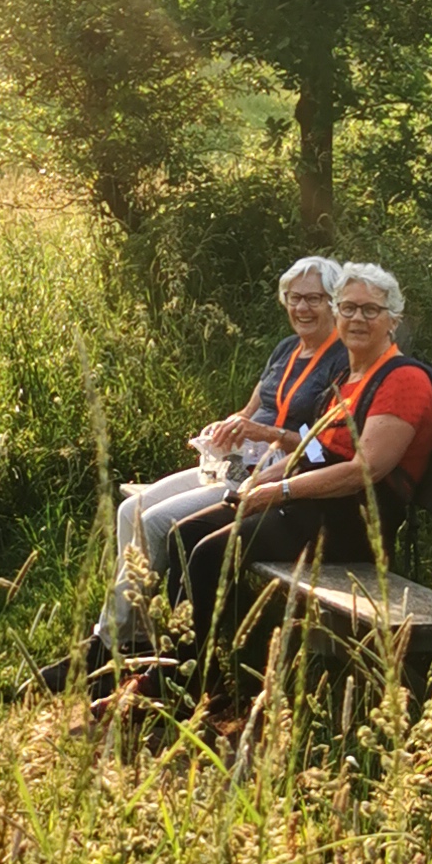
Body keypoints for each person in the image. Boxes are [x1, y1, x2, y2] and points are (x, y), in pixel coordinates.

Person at [169, 263, 432, 691]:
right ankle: (218, 667)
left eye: (370, 310)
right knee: (184, 536)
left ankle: (190, 685)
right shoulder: (346, 377)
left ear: (393, 320)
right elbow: (313, 450)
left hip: (351, 524)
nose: (357, 319)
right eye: (348, 308)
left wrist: (281, 490)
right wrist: (260, 480)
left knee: (207, 555)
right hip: (310, 506)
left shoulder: (403, 380)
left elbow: (365, 469)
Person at [88, 256, 348, 669]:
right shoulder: (287, 349)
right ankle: (135, 634)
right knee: (129, 510)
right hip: (236, 462)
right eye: (294, 298)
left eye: (314, 299)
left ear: (334, 303)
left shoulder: (341, 360)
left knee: (155, 523)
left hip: (270, 474)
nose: (302, 308)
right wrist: (227, 427)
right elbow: (251, 410)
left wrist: (265, 434)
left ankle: (111, 646)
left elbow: (322, 447)